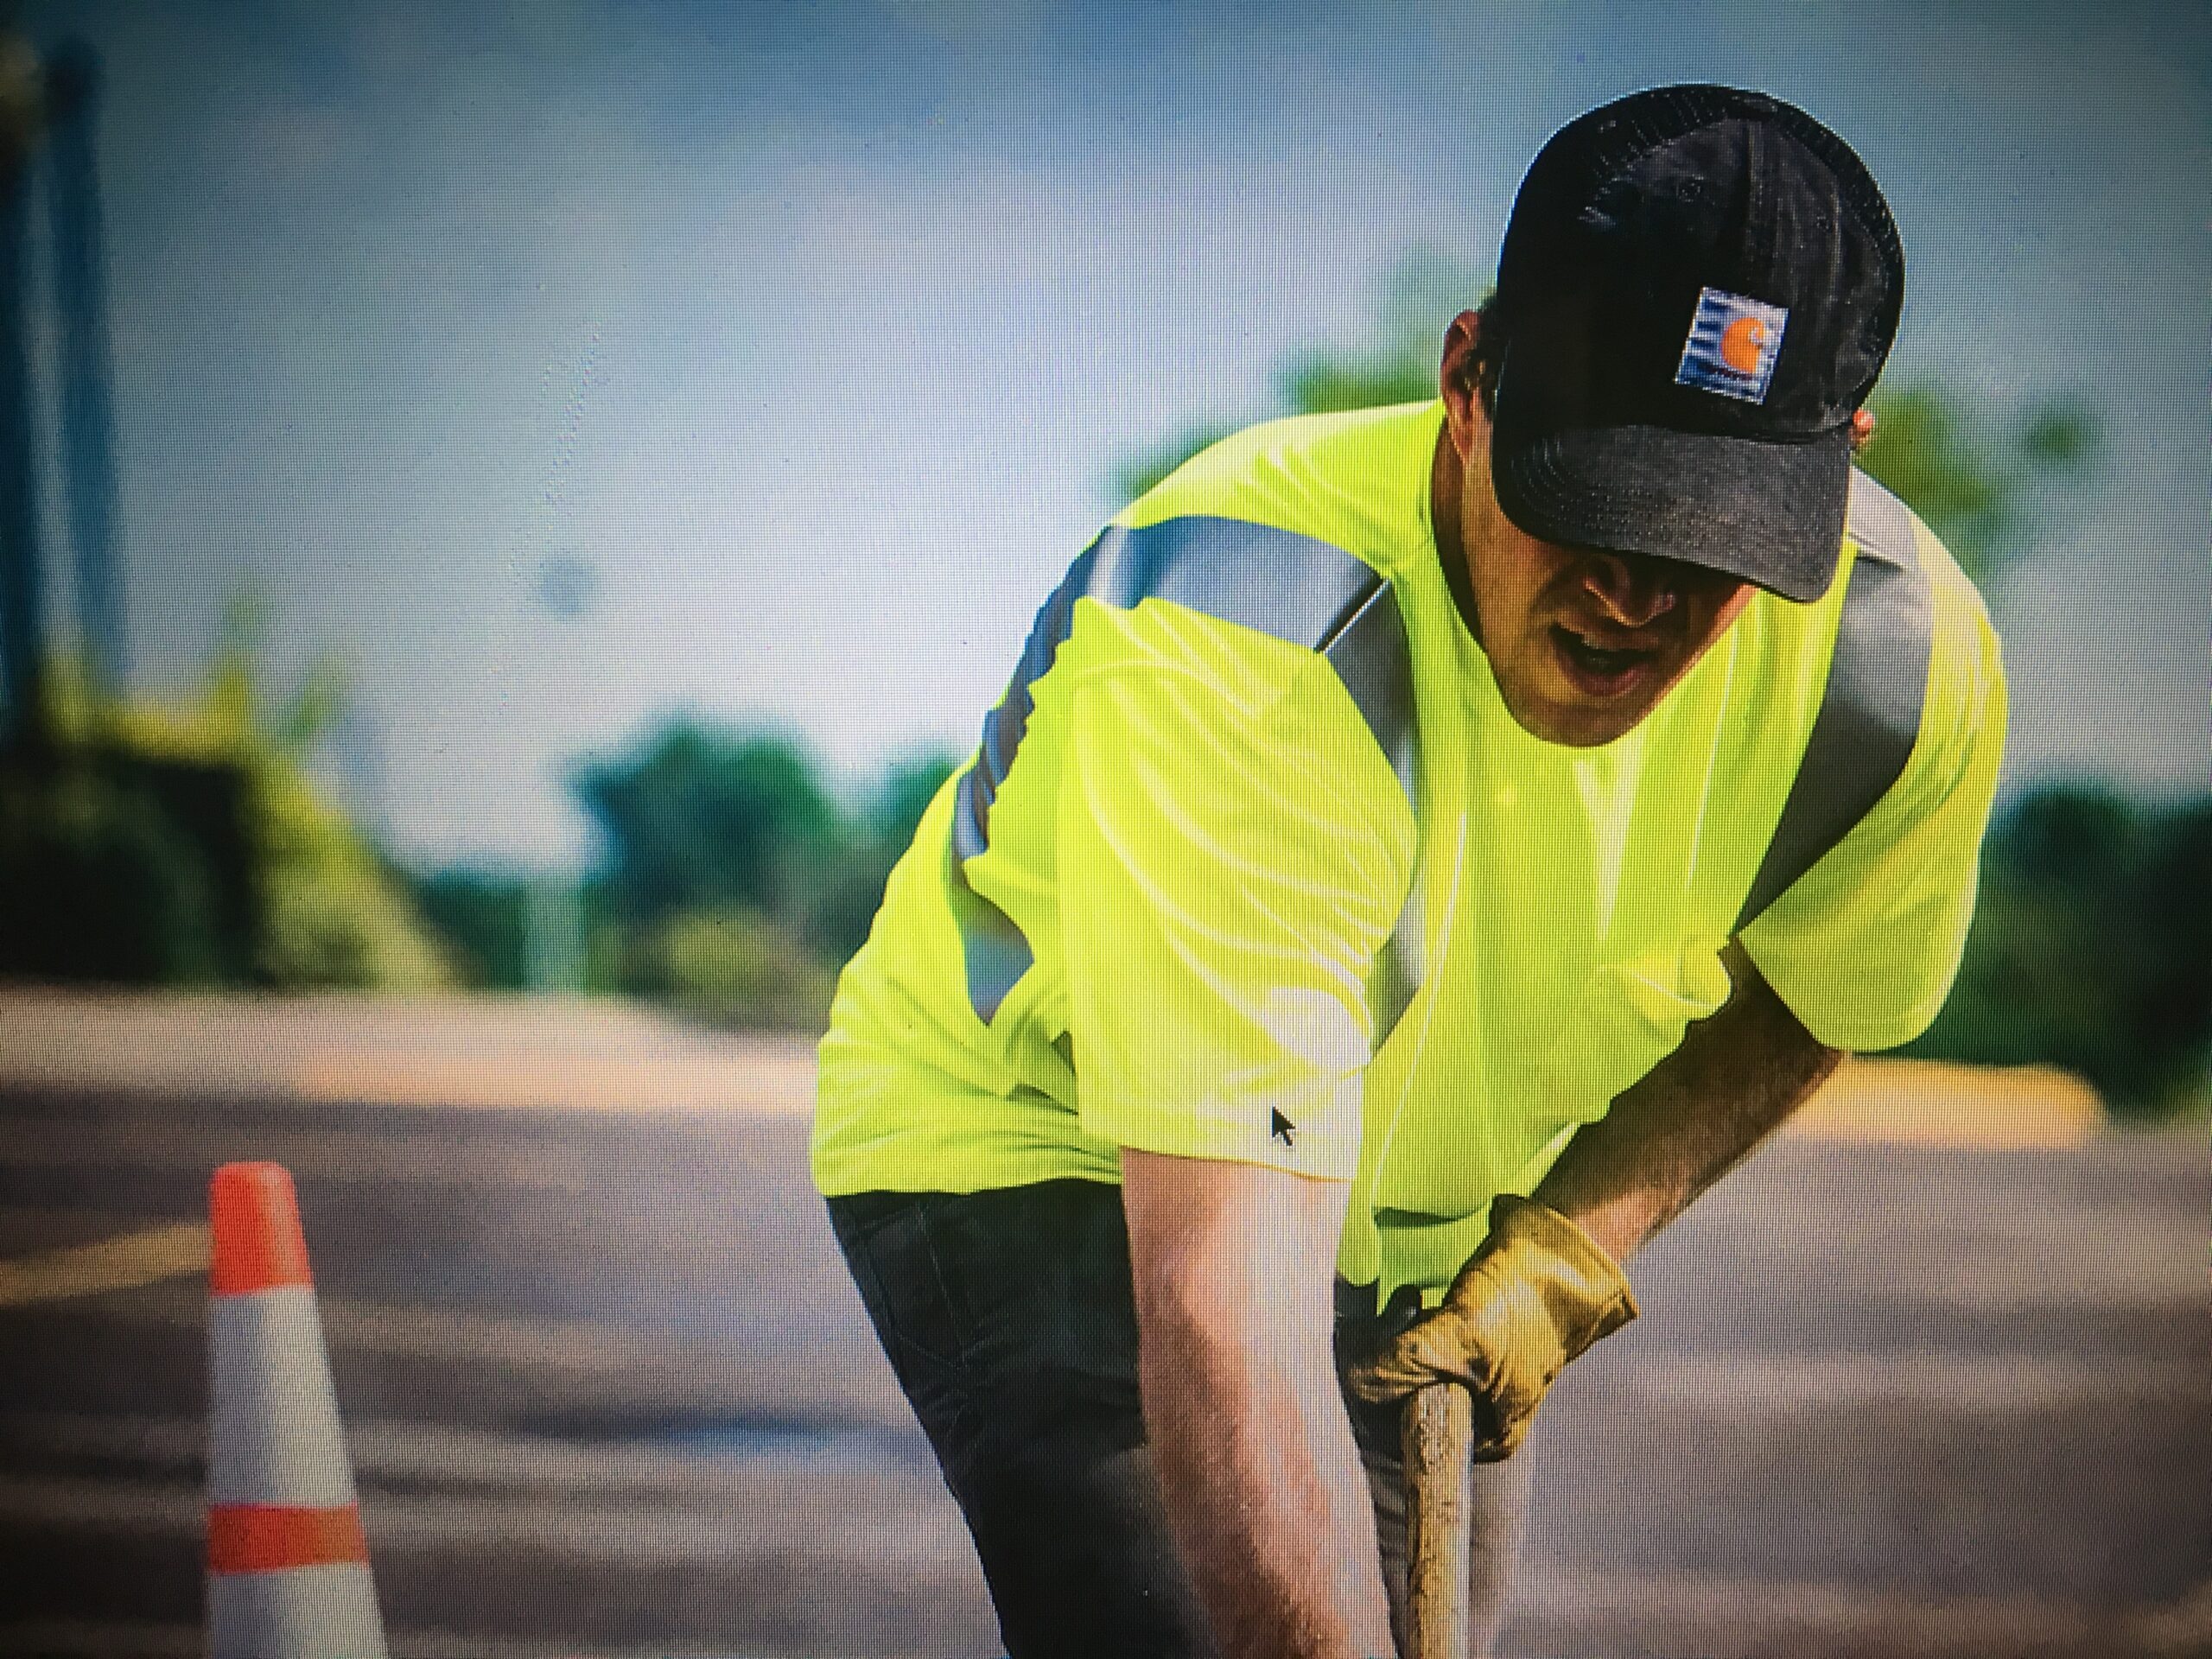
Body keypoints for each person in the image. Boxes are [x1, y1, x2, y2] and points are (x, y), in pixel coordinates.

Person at [811, 83, 2005, 1659]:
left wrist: (1580, 1239)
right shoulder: (1241, 643)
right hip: (1052, 1144)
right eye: (1592, 502)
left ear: (1839, 466)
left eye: (1712, 534)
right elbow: (1222, 1313)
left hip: (1410, 1210)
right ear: (1468, 383)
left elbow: (1823, 985)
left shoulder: (1897, 677)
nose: (1636, 593)